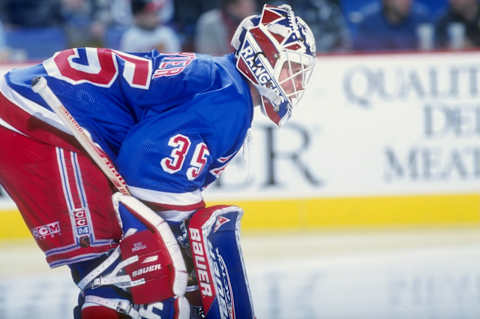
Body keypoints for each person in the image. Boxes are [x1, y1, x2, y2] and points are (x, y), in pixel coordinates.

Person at [0, 4, 316, 319]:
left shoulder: (222, 80)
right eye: (290, 68)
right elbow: (146, 159)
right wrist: (180, 234)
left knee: (124, 279)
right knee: (126, 282)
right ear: (262, 54)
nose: (294, 82)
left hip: (36, 115)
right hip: (37, 121)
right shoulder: (231, 99)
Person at [352, 0, 431, 52]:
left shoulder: (421, 20)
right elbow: (360, 56)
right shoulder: (368, 22)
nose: (406, 1)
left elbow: (427, 53)